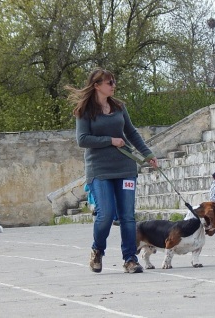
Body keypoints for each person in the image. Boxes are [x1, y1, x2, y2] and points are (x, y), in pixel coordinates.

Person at [66, 68, 158, 274]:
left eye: (114, 82)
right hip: (99, 169)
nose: (113, 86)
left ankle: (130, 259)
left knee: (127, 216)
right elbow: (82, 139)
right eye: (109, 82)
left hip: (125, 167)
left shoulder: (118, 107)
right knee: (106, 215)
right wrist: (110, 141)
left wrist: (148, 154)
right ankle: (97, 250)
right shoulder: (84, 111)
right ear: (97, 85)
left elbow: (131, 133)